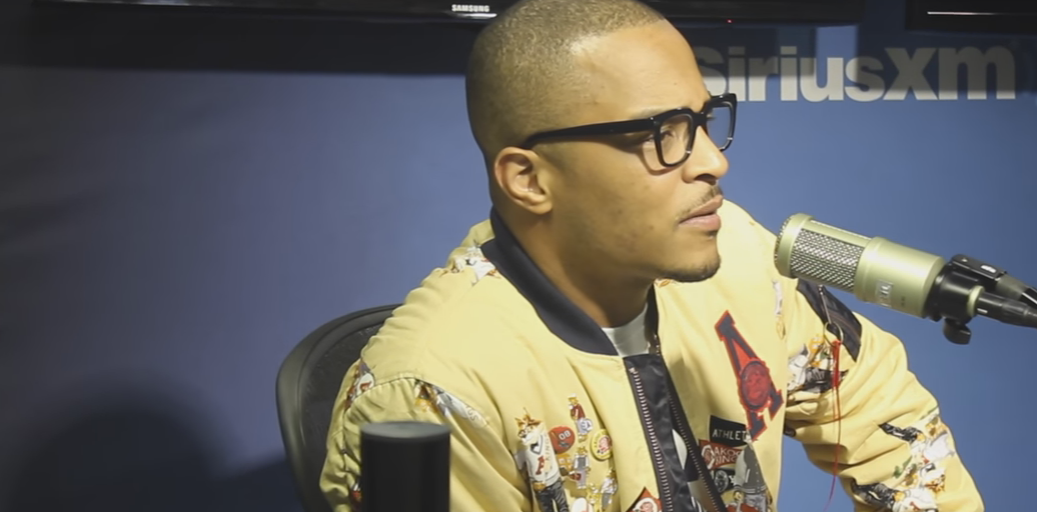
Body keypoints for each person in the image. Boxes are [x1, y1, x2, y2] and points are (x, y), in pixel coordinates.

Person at [320, 0, 984, 510]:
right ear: (529, 179)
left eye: (703, 121)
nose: (712, 161)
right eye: (660, 133)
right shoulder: (430, 394)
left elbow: (889, 423)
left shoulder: (743, 257)